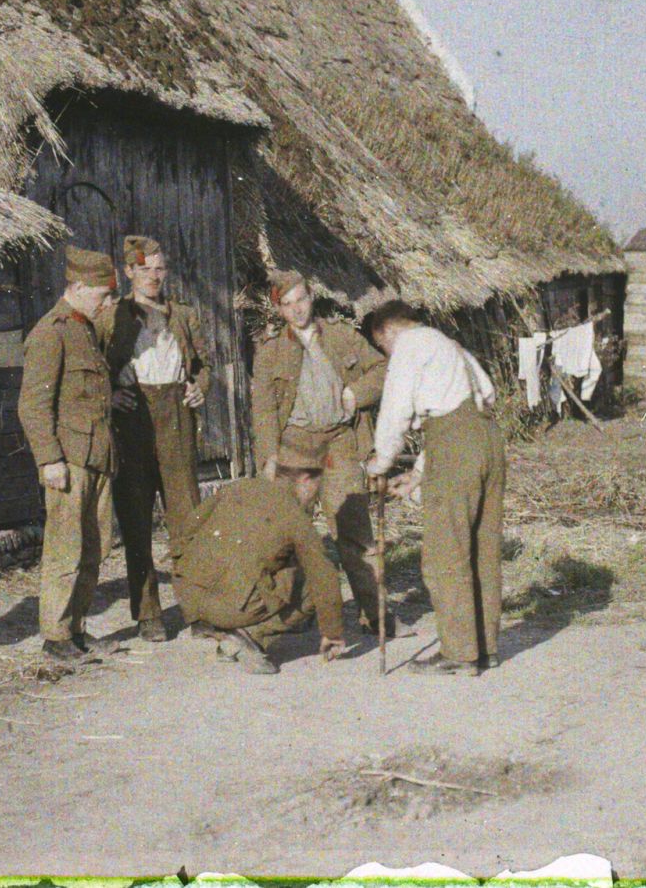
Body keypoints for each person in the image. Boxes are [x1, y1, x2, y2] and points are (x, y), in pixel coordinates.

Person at [362, 301, 506, 675]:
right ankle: (484, 648)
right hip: (486, 438)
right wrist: (421, 472)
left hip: (456, 443)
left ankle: (459, 653)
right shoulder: (449, 346)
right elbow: (476, 402)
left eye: (383, 348)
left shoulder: (408, 345)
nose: (388, 355)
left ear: (386, 332)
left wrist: (379, 464)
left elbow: (395, 412)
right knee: (481, 549)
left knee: (446, 551)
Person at [251, 270, 392, 638]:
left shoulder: (343, 336)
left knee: (354, 531)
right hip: (294, 447)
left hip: (340, 442)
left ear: (312, 297)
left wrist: (355, 394)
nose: (296, 309)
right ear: (278, 309)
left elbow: (381, 368)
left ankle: (375, 614)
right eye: (287, 304)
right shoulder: (270, 353)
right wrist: (268, 457)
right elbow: (263, 409)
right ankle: (293, 612)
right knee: (288, 533)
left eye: (301, 299)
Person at [99, 234, 211, 642]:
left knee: (188, 519)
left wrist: (201, 386)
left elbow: (202, 365)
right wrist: (111, 393)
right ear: (128, 272)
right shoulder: (111, 316)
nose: (153, 276)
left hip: (177, 420)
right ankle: (147, 613)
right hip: (133, 421)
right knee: (136, 519)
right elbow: (94, 367)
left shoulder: (182, 315)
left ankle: (198, 608)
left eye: (159, 268)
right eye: (144, 269)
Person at [18, 247, 124, 665]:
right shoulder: (52, 332)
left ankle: (77, 629)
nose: (107, 302)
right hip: (69, 460)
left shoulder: (85, 328)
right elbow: (32, 405)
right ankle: (56, 637)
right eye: (102, 293)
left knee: (93, 549)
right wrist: (49, 460)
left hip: (96, 456)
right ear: (77, 287)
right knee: (66, 548)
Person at [170, 450, 348, 675]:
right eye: (317, 485)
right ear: (304, 480)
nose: (316, 494)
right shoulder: (295, 517)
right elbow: (325, 578)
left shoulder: (239, 487)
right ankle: (251, 633)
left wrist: (184, 575)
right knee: (313, 581)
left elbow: (186, 531)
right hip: (228, 608)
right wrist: (332, 633)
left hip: (188, 598)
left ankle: (218, 631)